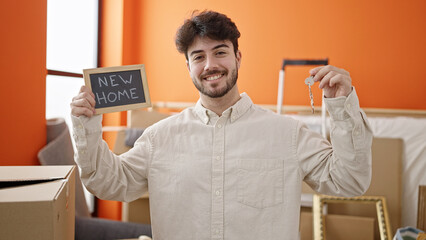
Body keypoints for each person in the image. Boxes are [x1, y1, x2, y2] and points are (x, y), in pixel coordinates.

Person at [71, 10, 372, 240]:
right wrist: (87, 126)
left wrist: (342, 107)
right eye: (198, 56)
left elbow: (349, 181)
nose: (210, 65)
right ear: (188, 66)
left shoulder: (288, 135)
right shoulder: (159, 138)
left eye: (220, 52)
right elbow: (107, 182)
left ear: (238, 57)